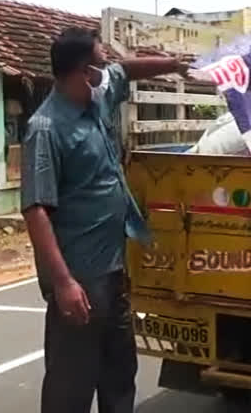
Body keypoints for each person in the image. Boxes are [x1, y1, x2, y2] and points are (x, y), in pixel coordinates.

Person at [21, 26, 190, 413]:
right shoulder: (45, 130)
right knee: (71, 384)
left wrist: (173, 64)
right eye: (100, 64)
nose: (106, 71)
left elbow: (126, 71)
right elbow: (36, 211)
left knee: (119, 374)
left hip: (114, 271)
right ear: (82, 72)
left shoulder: (96, 97)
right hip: (81, 278)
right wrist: (64, 283)